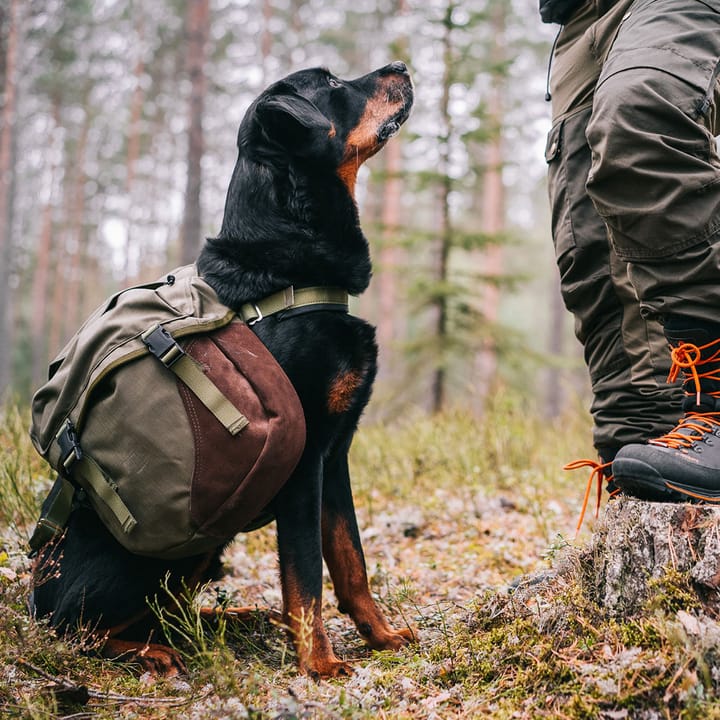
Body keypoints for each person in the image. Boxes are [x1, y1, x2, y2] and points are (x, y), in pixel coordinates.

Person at [540, 0, 720, 512]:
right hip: (576, 17)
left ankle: (718, 404)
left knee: (639, 117)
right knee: (591, 249)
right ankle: (641, 482)